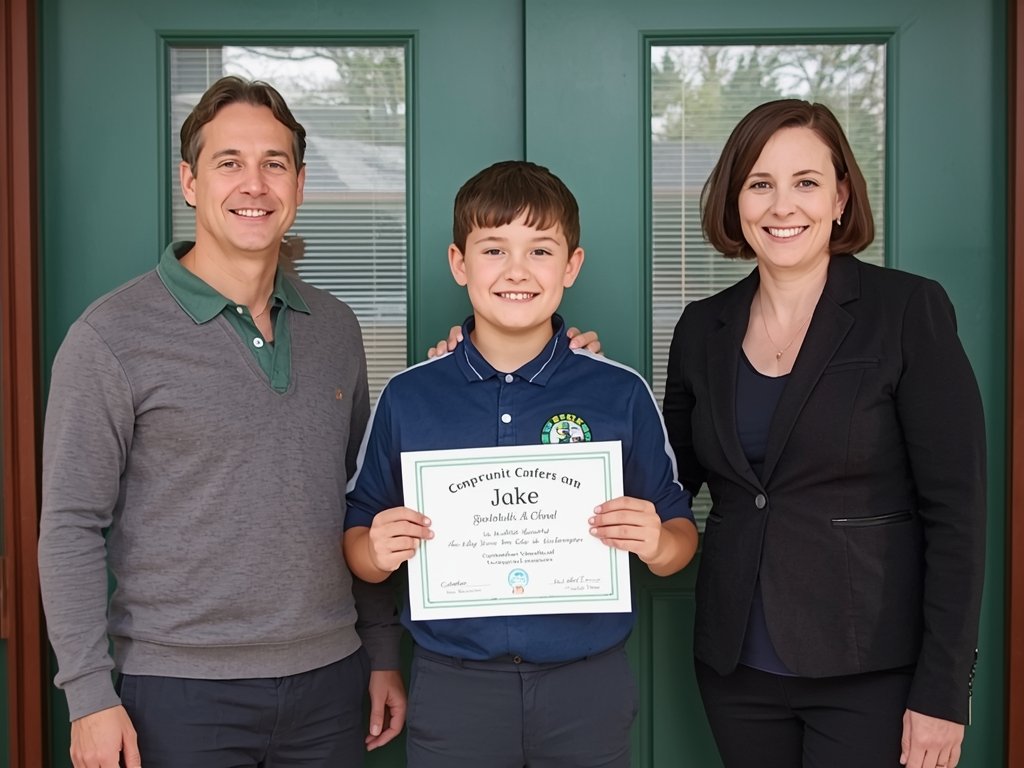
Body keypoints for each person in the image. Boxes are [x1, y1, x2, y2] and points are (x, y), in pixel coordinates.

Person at [37, 76, 407, 768]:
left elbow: (360, 499)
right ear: (189, 182)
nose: (254, 185)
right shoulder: (111, 337)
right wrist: (88, 695)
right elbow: (69, 526)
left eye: (274, 164)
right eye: (229, 162)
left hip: (331, 684)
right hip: (178, 694)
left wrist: (382, 650)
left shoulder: (335, 327)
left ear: (298, 184)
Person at [342, 160, 699, 768]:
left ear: (571, 266)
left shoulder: (620, 392)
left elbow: (680, 537)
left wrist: (656, 544)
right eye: (493, 249)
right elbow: (357, 539)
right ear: (459, 264)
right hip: (454, 686)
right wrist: (374, 553)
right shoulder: (410, 395)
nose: (516, 271)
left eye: (540, 250)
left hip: (587, 684)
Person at [662, 99, 986, 768]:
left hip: (871, 669)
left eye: (805, 182)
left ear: (840, 196)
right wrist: (564, 368)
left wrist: (945, 689)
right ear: (736, 200)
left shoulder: (906, 310)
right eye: (760, 184)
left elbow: (957, 513)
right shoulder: (703, 328)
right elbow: (664, 480)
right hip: (735, 671)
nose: (783, 206)